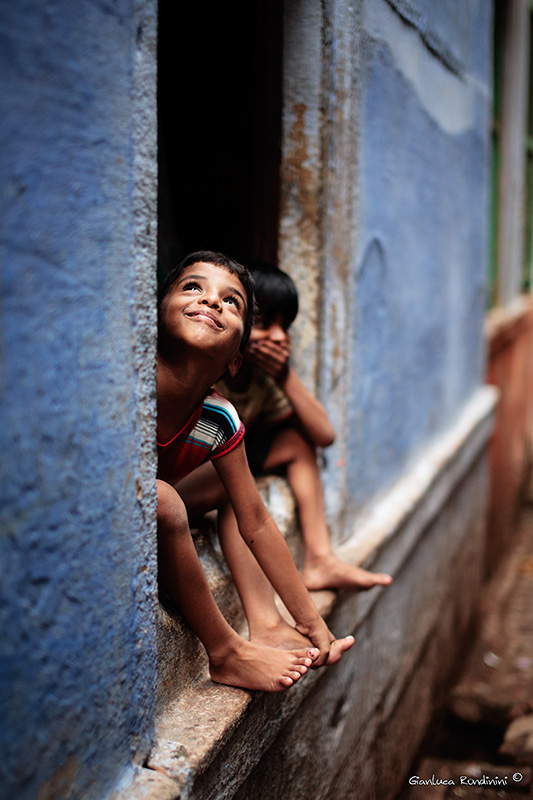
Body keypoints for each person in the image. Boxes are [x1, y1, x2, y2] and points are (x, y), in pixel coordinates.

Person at [156, 251, 354, 693]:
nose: (211, 301)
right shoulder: (128, 385)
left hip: (155, 503)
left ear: (235, 361)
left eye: (232, 302)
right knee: (163, 498)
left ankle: (267, 626)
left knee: (220, 490)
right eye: (193, 287)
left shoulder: (220, 418)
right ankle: (226, 652)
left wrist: (314, 624)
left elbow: (258, 522)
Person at [178, 261, 391, 653]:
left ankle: (320, 557)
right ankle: (266, 622)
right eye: (264, 323)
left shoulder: (256, 378)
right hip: (181, 482)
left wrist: (284, 375)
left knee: (296, 442)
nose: (278, 336)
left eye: (283, 326)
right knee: (234, 488)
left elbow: (323, 434)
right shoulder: (207, 369)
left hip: (222, 462)